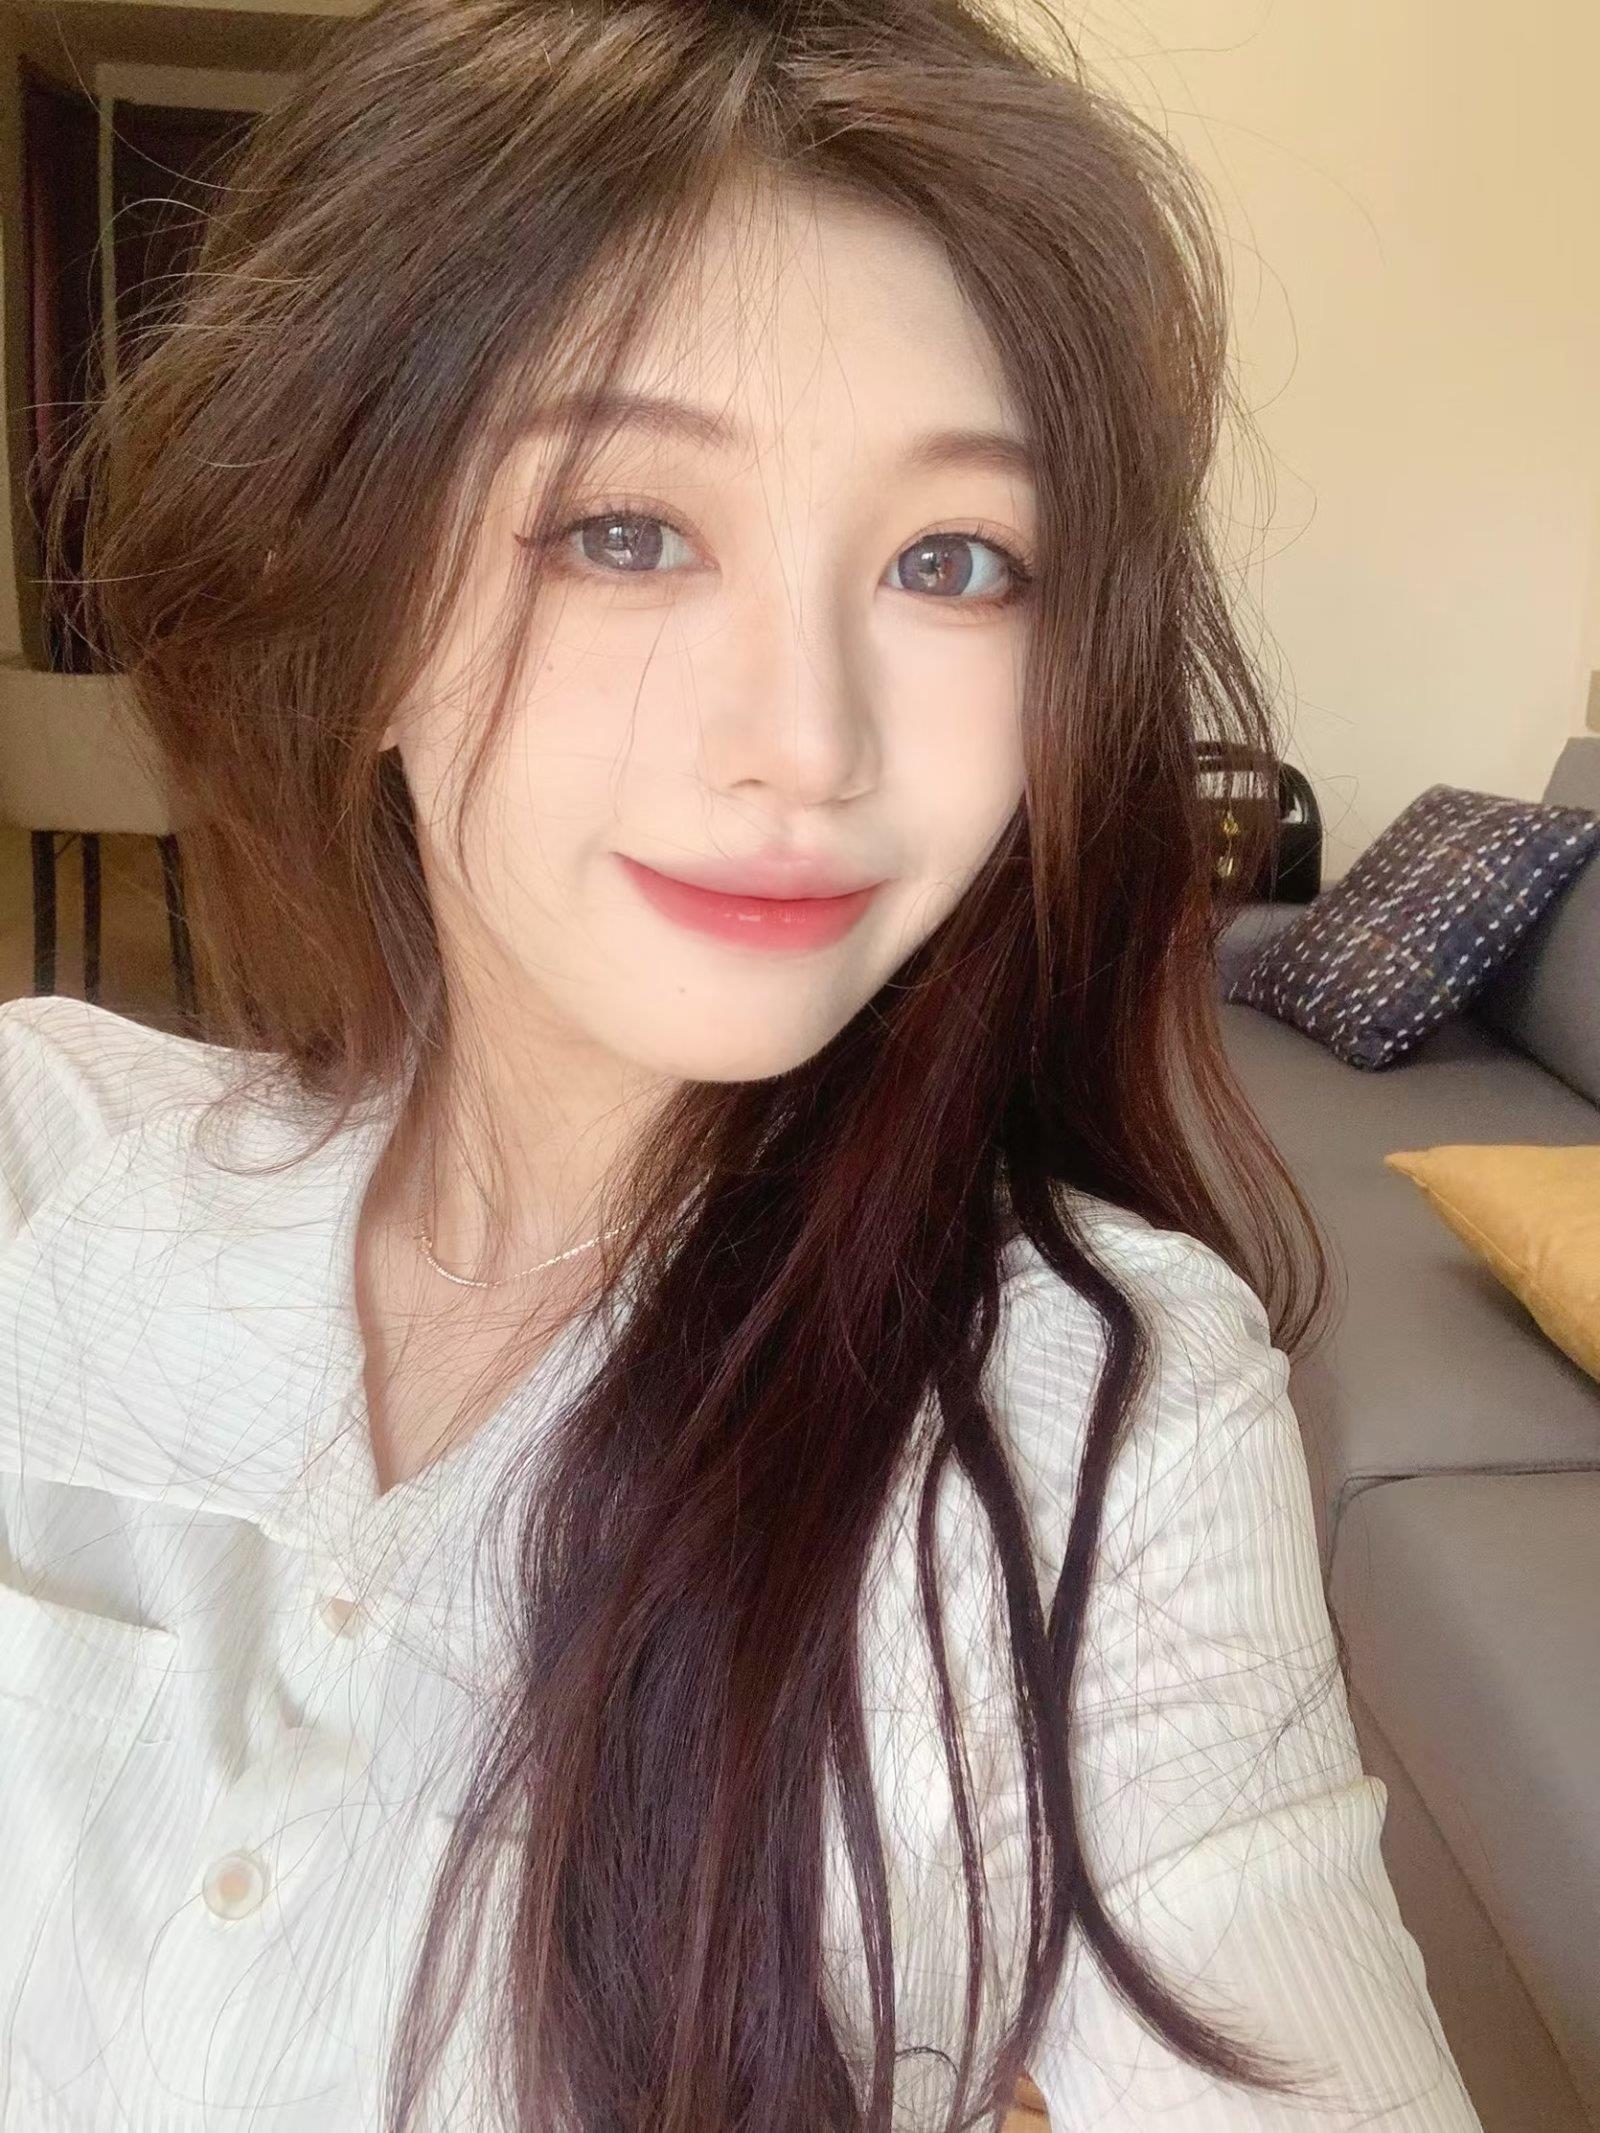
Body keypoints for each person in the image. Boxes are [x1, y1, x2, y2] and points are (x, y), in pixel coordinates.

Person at [0, 1, 1484, 2128]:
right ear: (351, 583)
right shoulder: (45, 1161)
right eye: (625, 527)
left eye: (954, 562)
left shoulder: (1090, 1420)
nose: (807, 742)